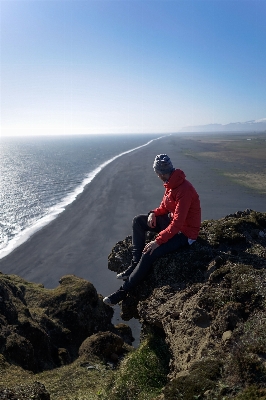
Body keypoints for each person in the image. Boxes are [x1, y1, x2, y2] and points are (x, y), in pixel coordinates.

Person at [103, 154, 201, 306]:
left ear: (159, 172)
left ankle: (123, 291)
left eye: (156, 172)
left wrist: (158, 241)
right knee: (138, 221)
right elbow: (164, 207)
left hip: (186, 233)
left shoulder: (184, 189)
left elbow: (178, 223)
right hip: (173, 224)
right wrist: (153, 213)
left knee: (150, 252)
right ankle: (134, 265)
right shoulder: (170, 184)